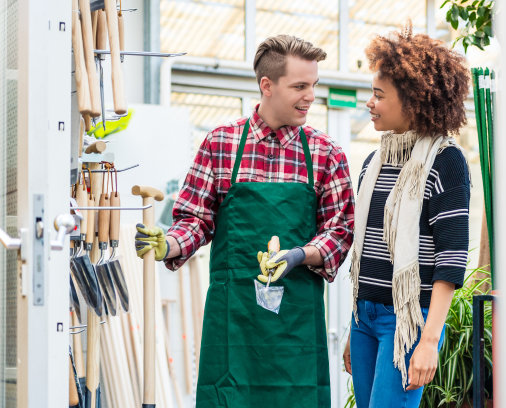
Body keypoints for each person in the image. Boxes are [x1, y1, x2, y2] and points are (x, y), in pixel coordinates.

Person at [135, 34, 354, 407]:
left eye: (313, 85)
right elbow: (195, 219)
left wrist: (299, 255)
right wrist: (168, 244)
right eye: (299, 86)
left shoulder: (325, 153)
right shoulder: (220, 144)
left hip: (296, 333)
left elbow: (340, 230)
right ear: (267, 85)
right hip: (232, 327)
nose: (311, 97)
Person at [342, 25, 471, 408]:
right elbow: (365, 253)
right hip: (364, 318)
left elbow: (451, 259)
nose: (370, 103)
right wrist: (356, 327)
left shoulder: (445, 161)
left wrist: (429, 341)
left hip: (408, 323)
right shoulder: (373, 162)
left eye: (379, 95)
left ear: (413, 101)